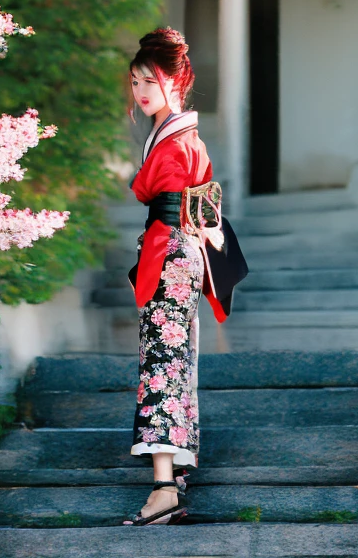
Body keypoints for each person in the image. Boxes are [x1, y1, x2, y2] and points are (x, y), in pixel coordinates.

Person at [125, 28, 247, 526]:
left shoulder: (177, 141)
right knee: (172, 364)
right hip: (180, 250)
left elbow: (168, 199)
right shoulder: (180, 135)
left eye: (149, 80)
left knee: (162, 364)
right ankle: (171, 478)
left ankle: (162, 487)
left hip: (172, 250)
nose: (140, 90)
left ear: (175, 80)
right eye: (134, 82)